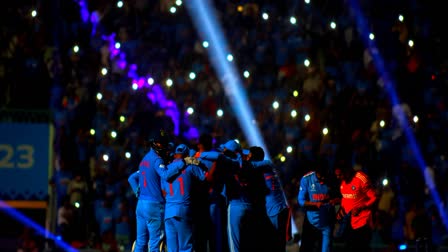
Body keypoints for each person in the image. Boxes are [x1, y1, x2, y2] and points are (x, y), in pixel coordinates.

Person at [133, 129, 193, 252]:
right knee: (155, 242)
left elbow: (131, 178)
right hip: (153, 205)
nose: (164, 146)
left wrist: (137, 191)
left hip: (140, 204)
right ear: (154, 143)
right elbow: (165, 175)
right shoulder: (157, 159)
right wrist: (183, 162)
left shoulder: (145, 158)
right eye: (162, 143)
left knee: (140, 241)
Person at [161, 144, 210, 252]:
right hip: (183, 209)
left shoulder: (166, 169)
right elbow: (205, 177)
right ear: (187, 155)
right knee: (186, 248)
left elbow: (163, 192)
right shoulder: (190, 166)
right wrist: (200, 164)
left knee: (172, 249)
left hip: (168, 212)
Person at [246, 146, 291, 252]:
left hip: (275, 212)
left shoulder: (264, 166)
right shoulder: (266, 167)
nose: (247, 158)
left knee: (276, 245)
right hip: (278, 209)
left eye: (249, 156)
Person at [298, 159, 340, 252]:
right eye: (320, 177)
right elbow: (301, 201)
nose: (322, 180)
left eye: (324, 177)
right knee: (306, 248)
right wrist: (314, 204)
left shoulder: (332, 178)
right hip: (311, 220)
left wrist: (335, 201)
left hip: (327, 222)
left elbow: (340, 197)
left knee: (326, 248)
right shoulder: (306, 179)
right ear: (315, 172)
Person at [334, 162, 377, 252]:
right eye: (337, 175)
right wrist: (340, 211)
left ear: (346, 171)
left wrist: (361, 207)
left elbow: (374, 197)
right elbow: (346, 200)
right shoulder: (342, 182)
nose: (338, 177)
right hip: (350, 223)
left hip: (363, 221)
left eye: (340, 175)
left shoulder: (361, 178)